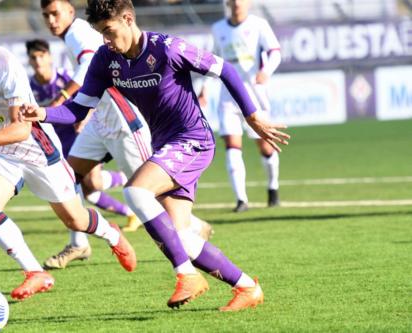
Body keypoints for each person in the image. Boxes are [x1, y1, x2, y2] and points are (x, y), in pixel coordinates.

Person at [21, 0, 289, 311]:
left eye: (109, 31)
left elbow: (224, 69)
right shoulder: (106, 59)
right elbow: (78, 109)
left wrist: (253, 116)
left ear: (128, 18)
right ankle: (246, 287)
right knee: (181, 239)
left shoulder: (168, 48)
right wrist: (43, 113)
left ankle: (186, 275)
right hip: (165, 145)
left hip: (193, 140)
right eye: (100, 33)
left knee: (136, 191)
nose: (105, 41)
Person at [0, 5, 136, 301]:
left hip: (35, 148)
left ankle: (111, 233)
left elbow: (21, 129)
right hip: (0, 152)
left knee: (75, 221)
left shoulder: (7, 67)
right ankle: (35, 272)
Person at [38, 0, 213, 269]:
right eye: (46, 15)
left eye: (55, 13)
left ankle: (195, 228)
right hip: (99, 119)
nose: (51, 20)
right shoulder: (85, 33)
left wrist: (62, 97)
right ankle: (79, 243)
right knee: (72, 174)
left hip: (122, 120)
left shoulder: (77, 32)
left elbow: (87, 67)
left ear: (70, 11)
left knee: (148, 194)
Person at [26, 38, 140, 268]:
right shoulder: (30, 86)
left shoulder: (68, 77)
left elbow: (92, 96)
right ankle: (124, 213)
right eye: (33, 58)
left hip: (83, 133)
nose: (38, 61)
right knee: (83, 188)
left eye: (41, 56)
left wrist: (85, 117)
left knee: (92, 183)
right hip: (58, 142)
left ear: (49, 56)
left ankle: (131, 186)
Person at [202, 0, 282, 212]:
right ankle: (241, 200)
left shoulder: (259, 25)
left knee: (265, 146)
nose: (237, 3)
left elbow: (275, 51)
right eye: (233, 0)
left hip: (254, 96)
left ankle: (273, 187)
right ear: (228, 3)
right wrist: (204, 88)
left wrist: (267, 71)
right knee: (232, 146)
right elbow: (213, 62)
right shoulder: (218, 28)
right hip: (228, 99)